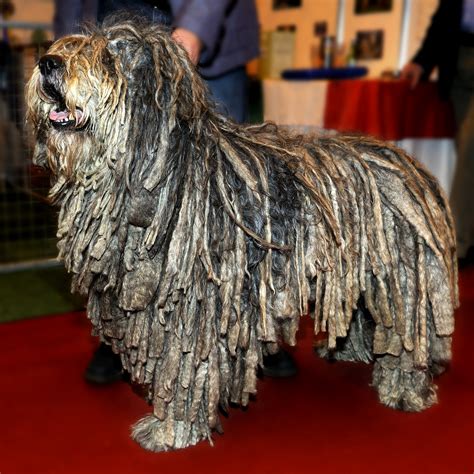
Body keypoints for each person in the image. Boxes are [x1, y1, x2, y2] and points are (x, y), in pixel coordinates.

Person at [52, 0, 297, 383]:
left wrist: (194, 30)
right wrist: (68, 47)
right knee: (114, 210)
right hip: (108, 38)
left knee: (228, 206)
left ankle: (256, 332)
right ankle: (120, 336)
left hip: (204, 39)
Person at [401, 0, 474, 263]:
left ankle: (457, 244)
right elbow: (443, 20)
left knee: (470, 148)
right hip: (457, 63)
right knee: (466, 150)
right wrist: (422, 62)